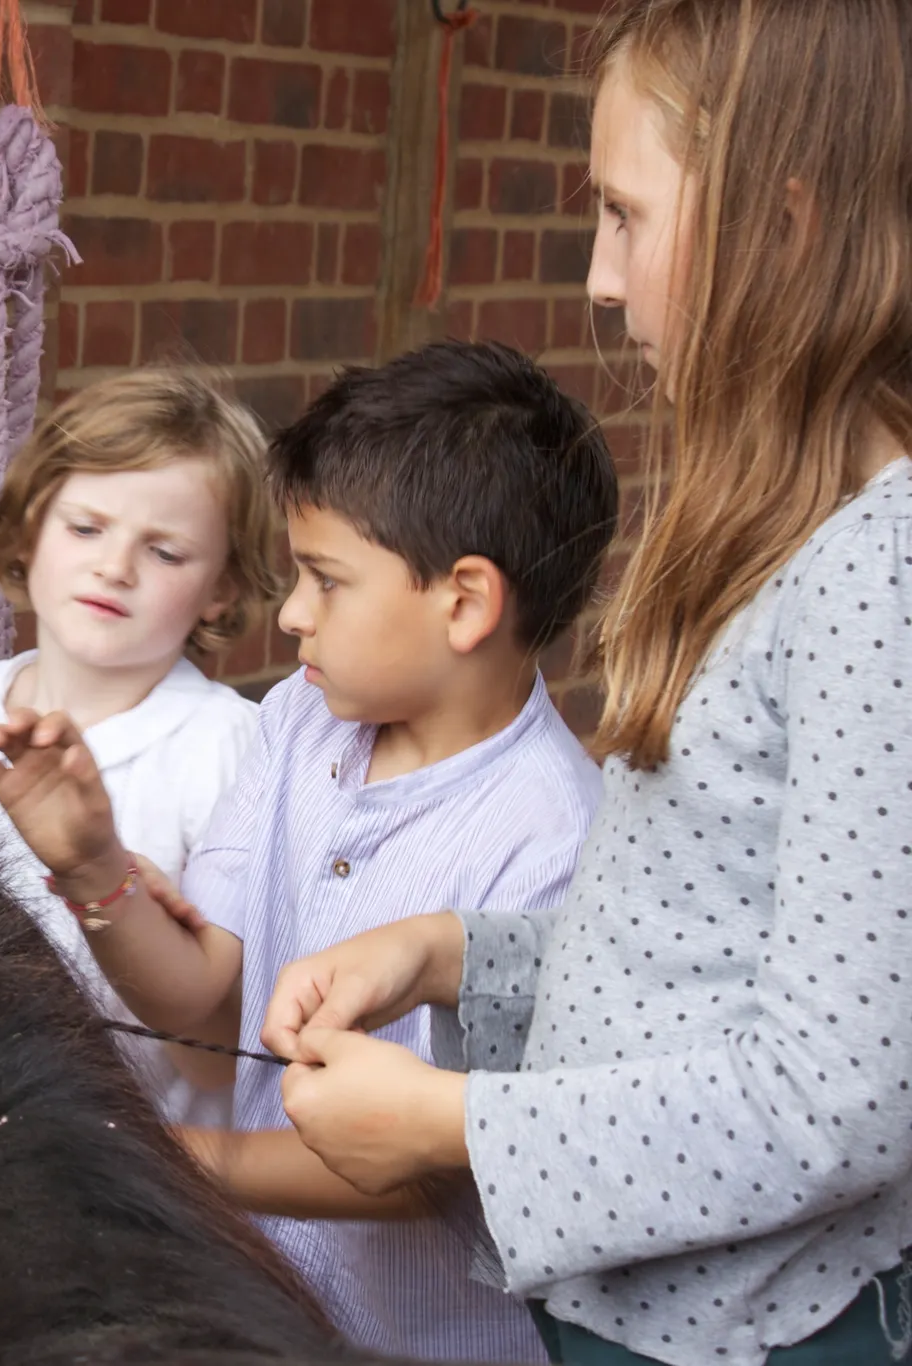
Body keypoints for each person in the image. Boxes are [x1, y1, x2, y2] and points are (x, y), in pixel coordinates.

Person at [256, 4, 912, 1365]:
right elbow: (700, 959)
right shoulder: (785, 531)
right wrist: (446, 951)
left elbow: (836, 1098)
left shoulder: (880, 573)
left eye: (625, 214)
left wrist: (451, 1123)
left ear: (782, 223)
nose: (600, 282)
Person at [0, 340, 618, 1361]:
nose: (290, 614)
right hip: (262, 1318)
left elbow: (423, 1167)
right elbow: (204, 999)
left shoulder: (555, 841)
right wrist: (92, 866)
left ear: (464, 602)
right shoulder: (298, 719)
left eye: (325, 579)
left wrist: (151, 1159)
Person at [0, 368, 280, 1123]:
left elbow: (222, 1057)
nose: (114, 567)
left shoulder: (236, 752)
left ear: (222, 589)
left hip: (135, 1165)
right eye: (86, 528)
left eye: (166, 552)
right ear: (31, 528)